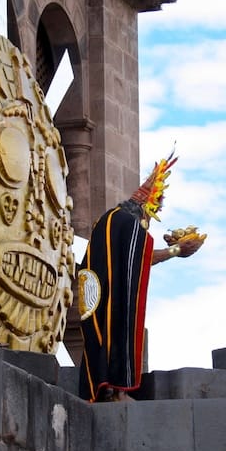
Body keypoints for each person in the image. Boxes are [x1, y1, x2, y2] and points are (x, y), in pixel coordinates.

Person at [77, 154, 205, 402]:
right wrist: (177, 250)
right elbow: (141, 258)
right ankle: (115, 390)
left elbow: (132, 258)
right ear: (149, 205)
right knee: (119, 332)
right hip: (111, 300)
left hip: (94, 296)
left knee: (99, 341)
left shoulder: (109, 219)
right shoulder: (129, 224)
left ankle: (103, 389)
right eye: (158, 206)